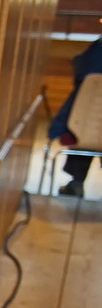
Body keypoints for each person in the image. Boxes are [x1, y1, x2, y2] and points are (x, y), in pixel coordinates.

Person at [47, 35, 102, 197]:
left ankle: (76, 183)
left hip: (82, 128)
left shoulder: (98, 48)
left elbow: (82, 69)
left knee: (83, 124)